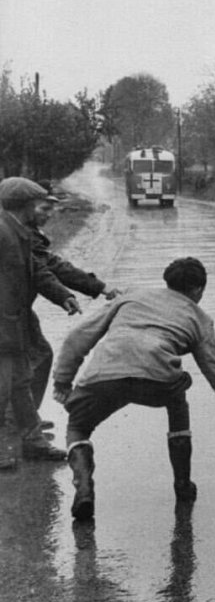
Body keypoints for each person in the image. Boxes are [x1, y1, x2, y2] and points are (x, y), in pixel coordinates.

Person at [52, 256, 215, 520]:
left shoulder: (131, 297)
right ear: (199, 290)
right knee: (178, 397)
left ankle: (83, 487)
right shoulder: (200, 319)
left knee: (77, 426)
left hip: (105, 375)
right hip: (157, 381)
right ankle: (182, 485)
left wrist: (63, 381)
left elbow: (79, 337)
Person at [0, 177, 81, 462]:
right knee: (3, 387)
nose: (45, 211)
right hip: (3, 324)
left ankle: (33, 442)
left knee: (20, 382)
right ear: (24, 205)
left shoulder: (20, 232)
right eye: (39, 204)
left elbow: (39, 270)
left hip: (14, 323)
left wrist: (63, 296)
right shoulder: (2, 232)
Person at [26, 192, 121, 419]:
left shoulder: (25, 233)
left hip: (17, 310)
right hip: (10, 311)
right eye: (44, 209)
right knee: (36, 357)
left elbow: (51, 266)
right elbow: (45, 273)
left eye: (52, 209)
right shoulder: (20, 236)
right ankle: (23, 423)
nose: (49, 215)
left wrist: (99, 287)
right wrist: (65, 295)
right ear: (26, 206)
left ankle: (24, 418)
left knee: (27, 360)